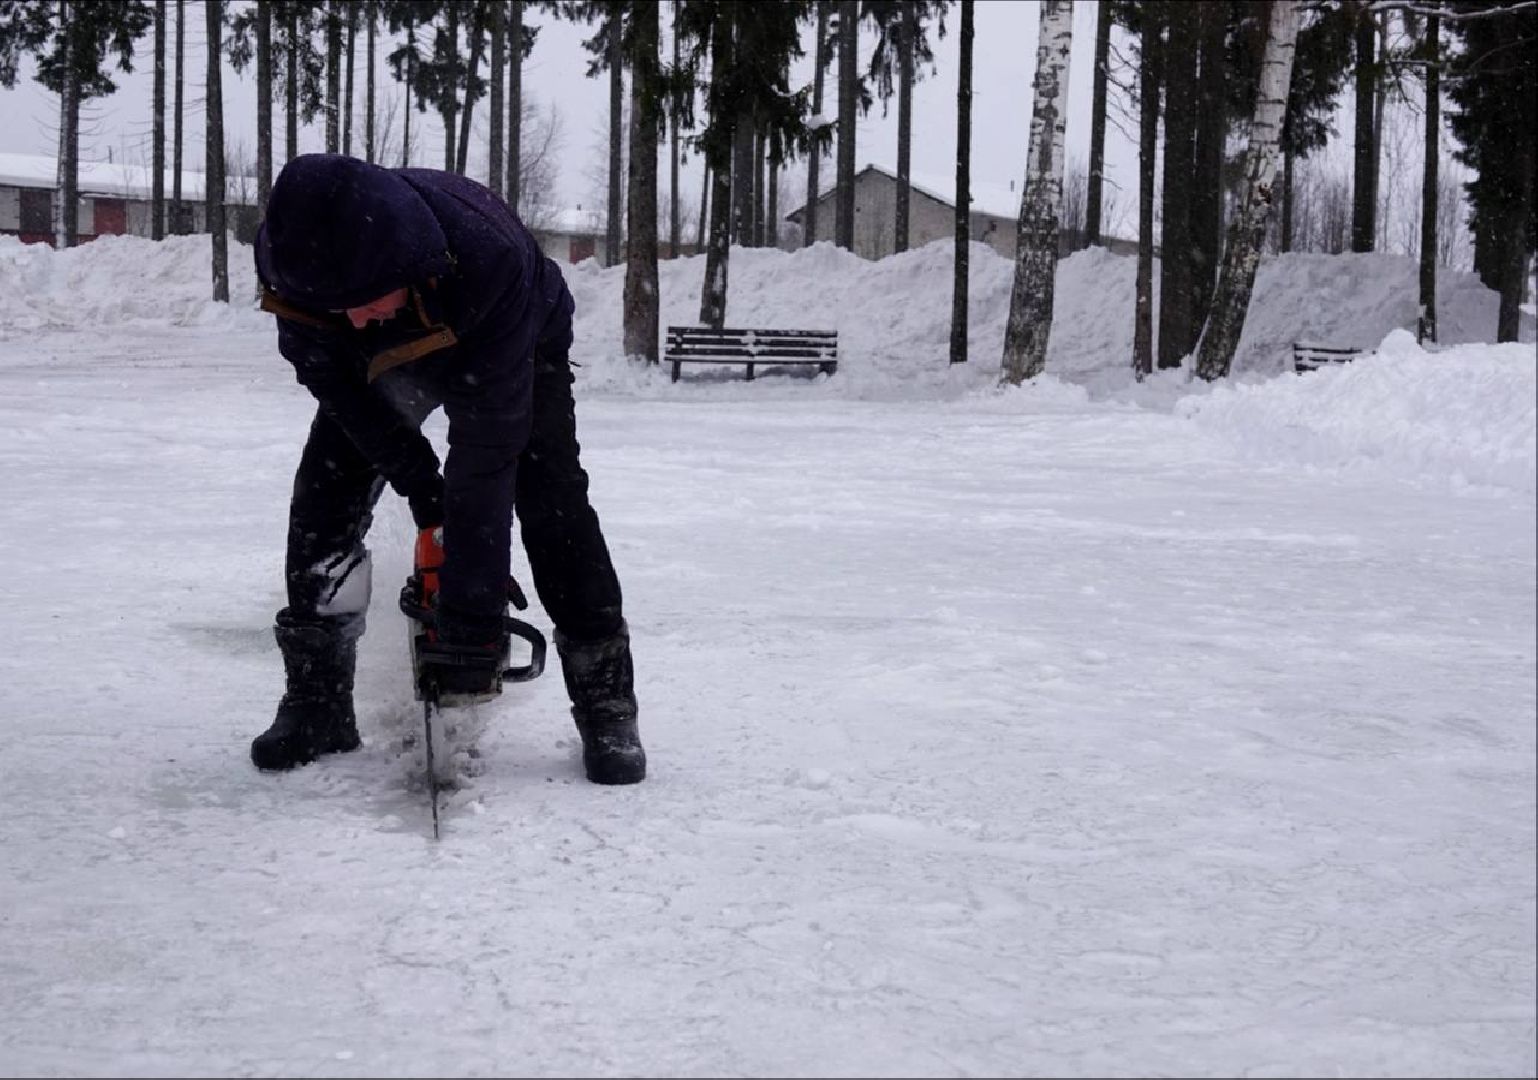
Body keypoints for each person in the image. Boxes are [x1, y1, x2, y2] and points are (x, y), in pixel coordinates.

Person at [248, 153, 645, 786]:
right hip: (379, 359)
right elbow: (346, 399)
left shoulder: (487, 258)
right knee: (325, 497)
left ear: (401, 263)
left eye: (362, 299)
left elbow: (487, 454)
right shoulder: (298, 268)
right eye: (336, 305)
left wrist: (471, 606)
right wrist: (425, 495)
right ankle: (318, 702)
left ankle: (606, 703)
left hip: (513, 337)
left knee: (551, 500)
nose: (353, 315)